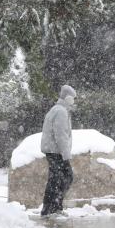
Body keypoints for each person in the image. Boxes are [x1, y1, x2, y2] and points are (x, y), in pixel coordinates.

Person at [40, 85, 76, 216]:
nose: (74, 101)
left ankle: (53, 208)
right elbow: (60, 134)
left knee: (57, 179)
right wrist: (66, 154)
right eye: (72, 98)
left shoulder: (59, 110)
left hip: (54, 151)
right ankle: (52, 209)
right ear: (67, 98)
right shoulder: (60, 111)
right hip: (56, 152)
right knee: (63, 178)